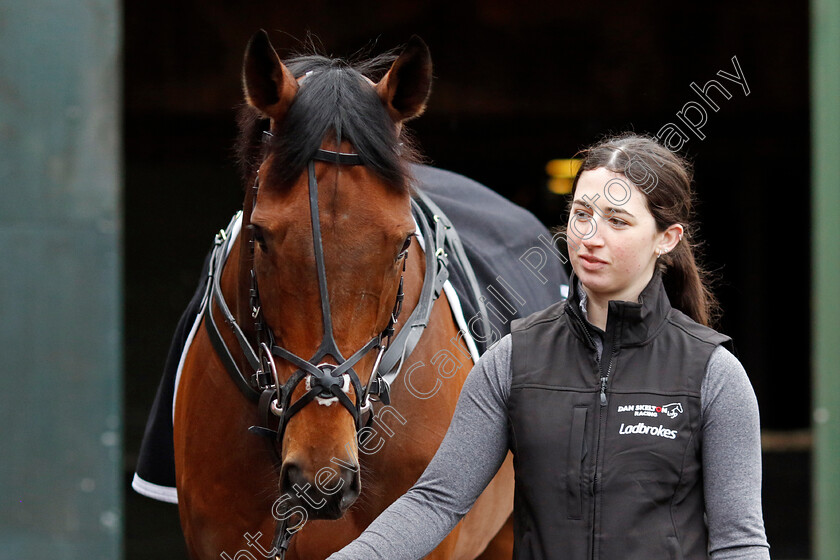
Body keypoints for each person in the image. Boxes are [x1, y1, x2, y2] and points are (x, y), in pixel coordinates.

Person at [327, 133, 770, 560]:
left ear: (666, 240)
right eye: (582, 214)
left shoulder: (713, 373)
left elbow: (739, 543)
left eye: (617, 221)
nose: (591, 237)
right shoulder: (512, 359)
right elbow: (437, 501)